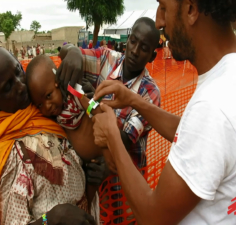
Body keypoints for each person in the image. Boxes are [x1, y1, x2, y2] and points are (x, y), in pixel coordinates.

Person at [91, 0, 236, 224]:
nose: (159, 21)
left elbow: (153, 217)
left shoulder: (213, 106)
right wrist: (135, 100)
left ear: (191, 9)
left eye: (163, 7)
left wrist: (111, 135)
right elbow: (194, 134)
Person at [0, 42, 102, 225]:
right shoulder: (9, 155)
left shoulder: (46, 107)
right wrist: (51, 219)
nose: (21, 86)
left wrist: (74, 52)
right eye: (8, 87)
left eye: (17, 71)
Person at [58, 17, 161, 223]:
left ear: (152, 55)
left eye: (144, 47)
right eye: (133, 41)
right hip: (94, 179)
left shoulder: (150, 93)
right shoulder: (107, 59)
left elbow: (121, 139)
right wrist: (74, 52)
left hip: (125, 186)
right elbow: (65, 51)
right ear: (127, 40)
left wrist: (90, 102)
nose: (134, 50)